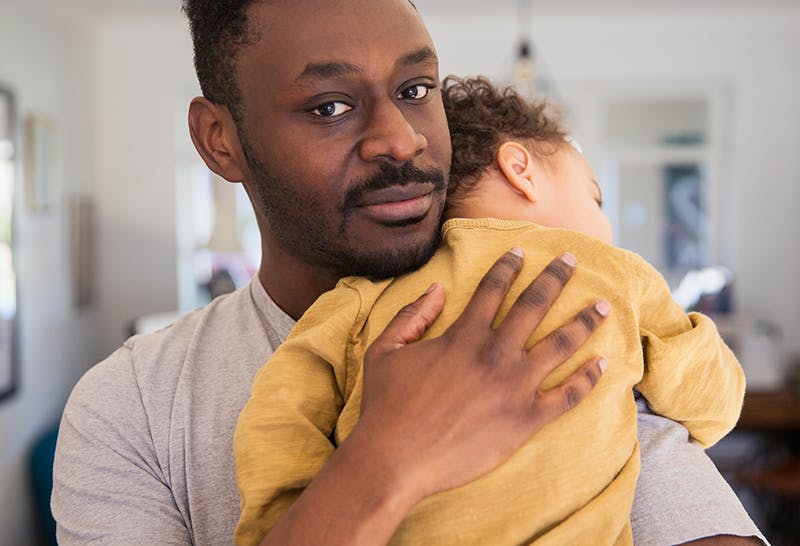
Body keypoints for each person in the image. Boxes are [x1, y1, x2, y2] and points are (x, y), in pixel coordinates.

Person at [51, 1, 765, 545]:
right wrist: (388, 459)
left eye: (417, 89)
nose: (401, 136)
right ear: (220, 140)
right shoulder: (131, 408)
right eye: (330, 106)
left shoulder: (548, 329)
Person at [232, 76, 746, 545]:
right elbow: (712, 403)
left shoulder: (364, 296)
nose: (603, 224)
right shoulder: (611, 271)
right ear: (520, 169)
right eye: (595, 198)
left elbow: (278, 414)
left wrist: (280, 522)